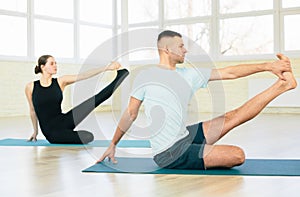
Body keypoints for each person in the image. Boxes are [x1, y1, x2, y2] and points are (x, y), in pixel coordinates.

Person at [97, 30, 297, 169]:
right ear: (167, 49)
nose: (185, 50)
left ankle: (283, 85)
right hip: (169, 153)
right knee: (238, 155)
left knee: (232, 116)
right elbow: (130, 113)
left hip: (184, 136)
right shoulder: (146, 76)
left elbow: (230, 73)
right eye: (181, 46)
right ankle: (198, 155)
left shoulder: (189, 74)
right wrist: (113, 144)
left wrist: (267, 66)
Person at [25, 55, 129, 144]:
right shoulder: (31, 87)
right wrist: (35, 131)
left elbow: (84, 75)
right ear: (43, 67)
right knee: (88, 137)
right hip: (52, 133)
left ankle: (121, 75)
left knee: (95, 100)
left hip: (64, 120)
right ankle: (68, 134)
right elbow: (32, 110)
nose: (55, 65)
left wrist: (107, 68)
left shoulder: (61, 81)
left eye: (55, 63)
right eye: (52, 63)